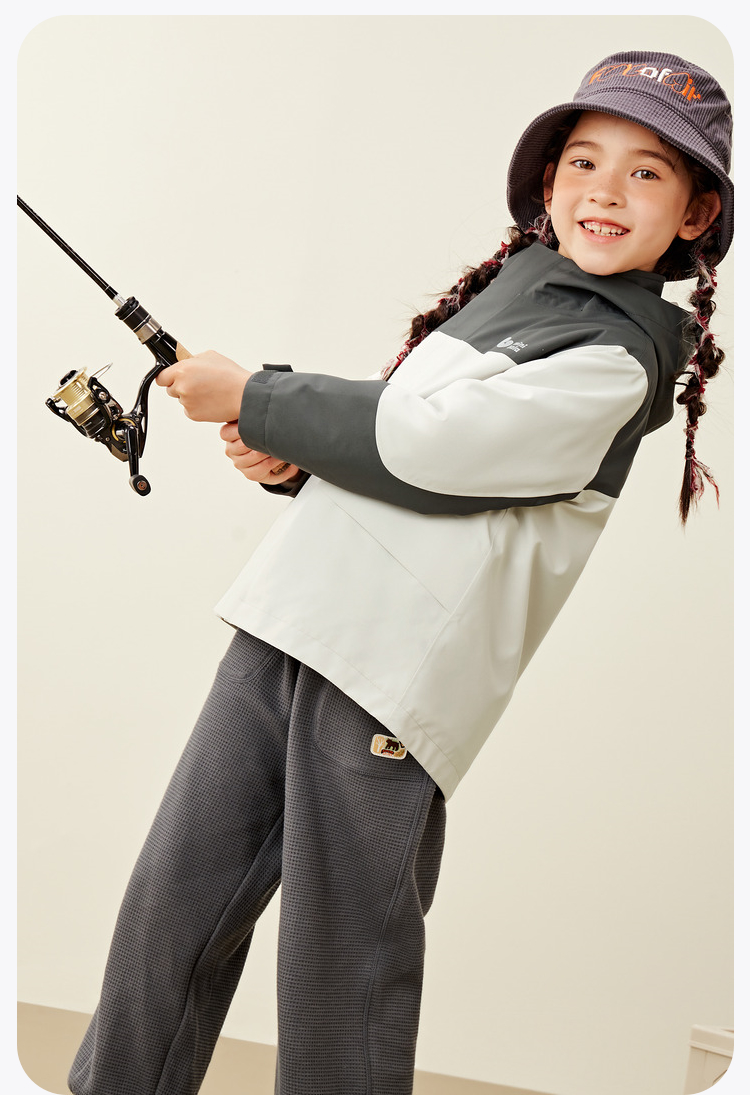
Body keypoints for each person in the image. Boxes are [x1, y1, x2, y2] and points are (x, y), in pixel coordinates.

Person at [68, 50, 732, 1095]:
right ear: (548, 182)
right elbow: (405, 447)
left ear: (696, 215)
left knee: (343, 964)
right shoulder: (513, 291)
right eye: (584, 160)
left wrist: (261, 395)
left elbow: (441, 447)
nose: (606, 188)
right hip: (290, 621)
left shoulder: (618, 356)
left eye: (646, 171)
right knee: (172, 903)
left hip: (392, 675)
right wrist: (294, 458)